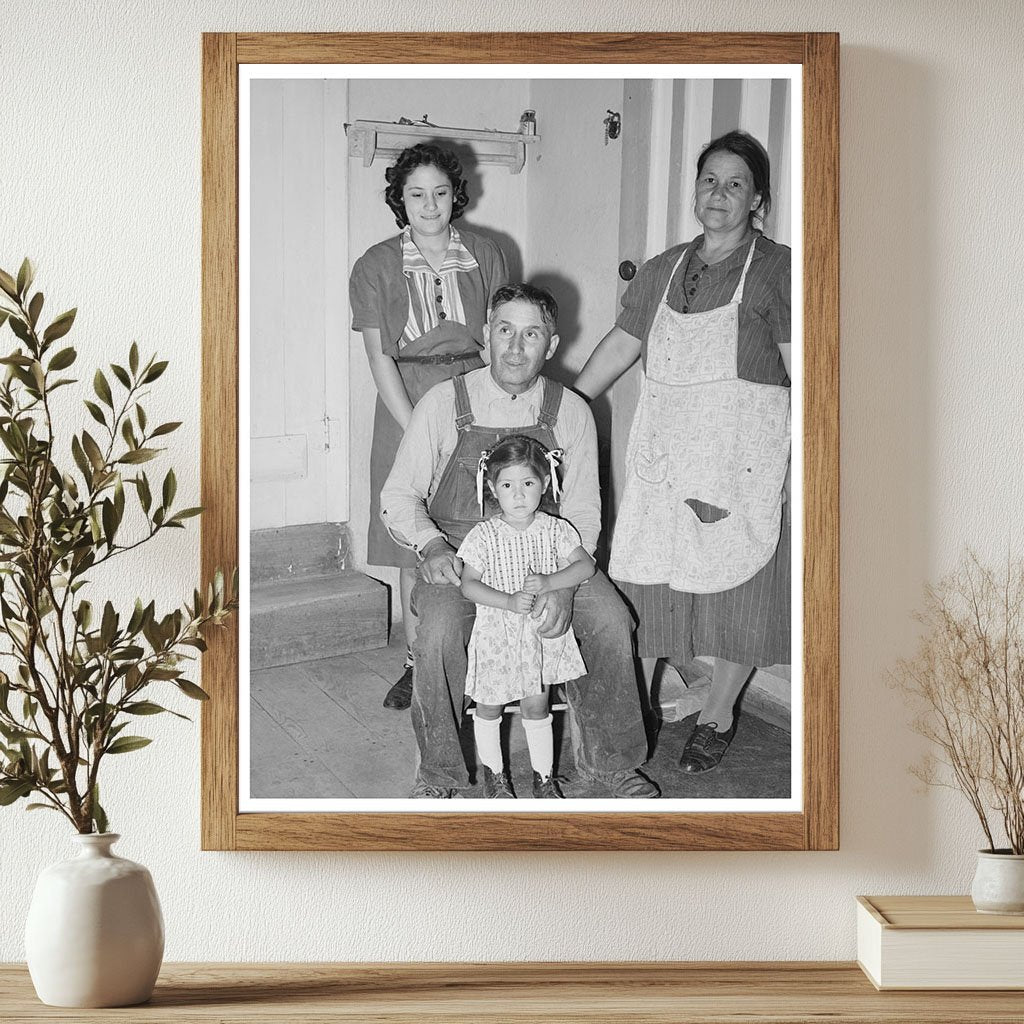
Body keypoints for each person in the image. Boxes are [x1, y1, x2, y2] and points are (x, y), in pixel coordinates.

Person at [380, 283, 658, 799]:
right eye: (505, 330)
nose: (514, 346)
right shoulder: (444, 402)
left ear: (551, 345)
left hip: (550, 556)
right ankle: (438, 774)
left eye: (531, 334)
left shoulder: (570, 409)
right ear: (487, 335)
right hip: (464, 558)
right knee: (438, 633)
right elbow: (399, 495)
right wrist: (431, 545)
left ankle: (610, 763)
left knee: (611, 620)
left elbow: (583, 513)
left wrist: (563, 586)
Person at [575, 130, 791, 774]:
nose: (718, 194)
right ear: (694, 190)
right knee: (647, 581)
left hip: (740, 457)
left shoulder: (777, 268)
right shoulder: (663, 268)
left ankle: (718, 713)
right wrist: (568, 406)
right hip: (666, 457)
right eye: (709, 181)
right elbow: (622, 344)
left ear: (758, 199)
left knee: (739, 587)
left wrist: (802, 461)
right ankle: (635, 709)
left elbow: (802, 369)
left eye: (735, 184)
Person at [350, 143, 508, 711]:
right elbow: (379, 357)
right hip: (406, 399)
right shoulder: (373, 265)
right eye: (416, 194)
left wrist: (491, 411)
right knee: (412, 534)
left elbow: (498, 339)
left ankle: (480, 658)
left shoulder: (486, 254)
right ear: (400, 199)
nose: (430, 204)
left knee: (482, 524)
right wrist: (419, 426)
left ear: (456, 195)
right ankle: (419, 664)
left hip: (475, 395)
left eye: (440, 192)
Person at [458, 434, 595, 800]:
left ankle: (544, 778)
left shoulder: (555, 529)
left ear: (545, 483)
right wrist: (507, 601)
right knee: (489, 706)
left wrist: (551, 581)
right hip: (496, 635)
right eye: (507, 485)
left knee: (537, 705)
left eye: (528, 484)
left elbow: (585, 566)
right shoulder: (484, 535)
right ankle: (495, 777)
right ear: (492, 488)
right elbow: (468, 585)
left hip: (537, 635)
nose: (518, 495)